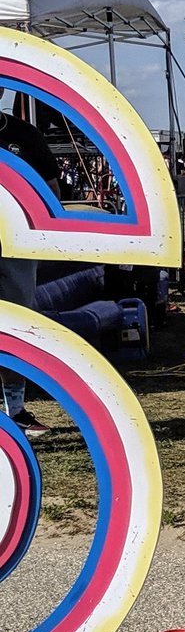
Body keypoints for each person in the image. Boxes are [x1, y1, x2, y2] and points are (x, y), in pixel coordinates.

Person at [0, 99, 59, 436]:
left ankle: (16, 410)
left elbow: (51, 190)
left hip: (16, 246)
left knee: (16, 326)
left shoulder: (25, 135)